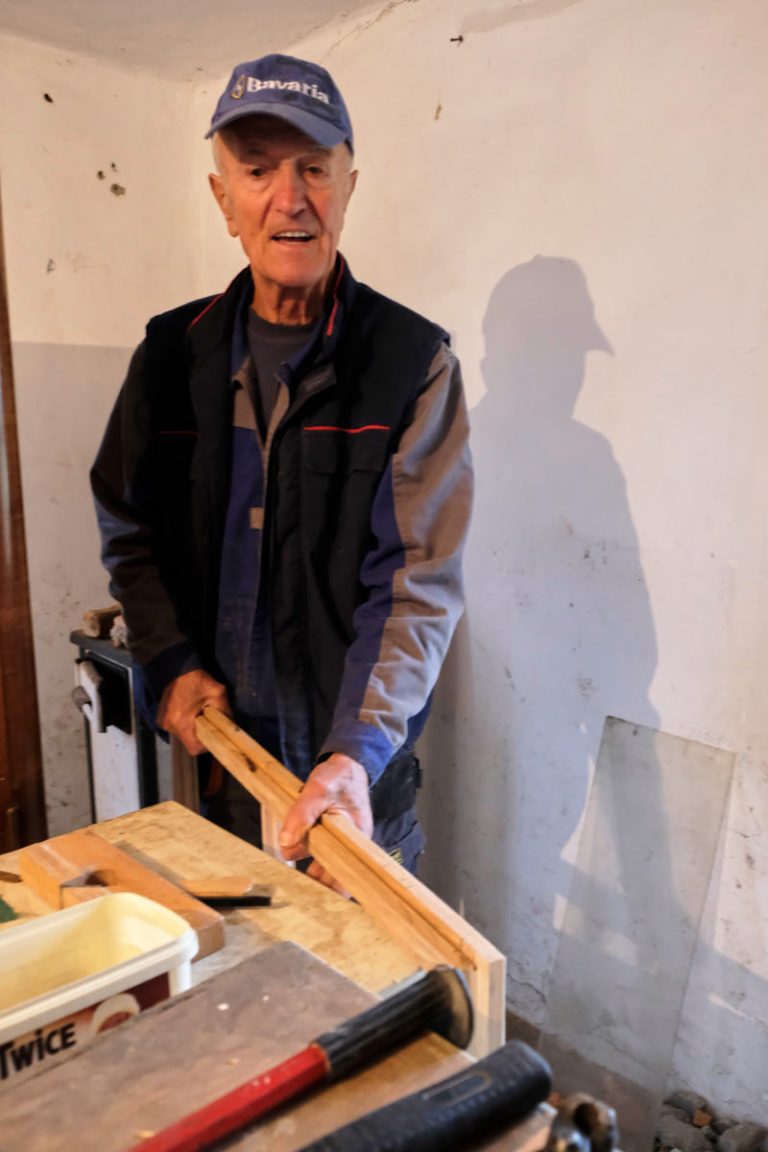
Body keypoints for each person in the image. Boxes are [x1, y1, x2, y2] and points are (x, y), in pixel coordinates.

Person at [91, 53, 472, 887]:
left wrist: (355, 753)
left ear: (349, 184)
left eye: (313, 168)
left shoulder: (412, 364)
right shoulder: (169, 356)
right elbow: (130, 526)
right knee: (242, 993)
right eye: (258, 169)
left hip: (351, 780)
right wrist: (169, 656)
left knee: (366, 998)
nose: (289, 198)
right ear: (223, 198)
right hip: (221, 764)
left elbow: (418, 584)